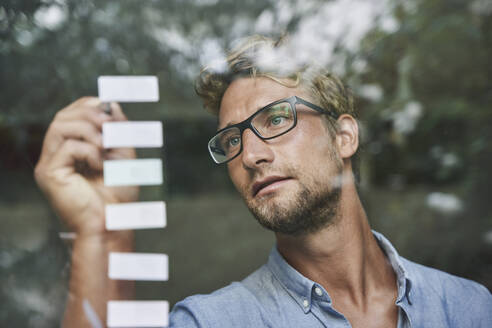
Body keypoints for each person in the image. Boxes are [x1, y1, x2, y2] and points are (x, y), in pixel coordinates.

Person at [35, 35, 491, 327]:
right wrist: (100, 234)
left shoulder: (470, 309)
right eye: (230, 140)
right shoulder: (211, 323)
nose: (251, 154)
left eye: (276, 119)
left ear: (345, 135)